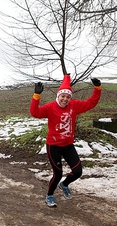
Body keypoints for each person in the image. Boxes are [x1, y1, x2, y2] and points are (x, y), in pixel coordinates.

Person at [30, 74, 102, 208]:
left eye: (68, 97)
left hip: (68, 145)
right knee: (57, 174)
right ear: (58, 96)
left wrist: (97, 88)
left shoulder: (74, 106)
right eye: (62, 96)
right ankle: (49, 195)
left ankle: (64, 184)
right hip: (54, 146)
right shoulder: (50, 107)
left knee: (78, 171)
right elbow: (35, 113)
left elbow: (91, 103)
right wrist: (36, 96)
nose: (65, 99)